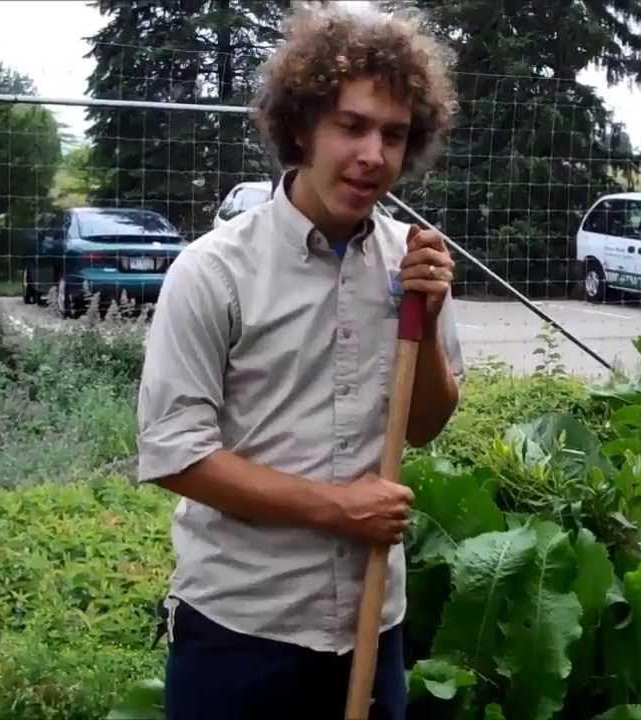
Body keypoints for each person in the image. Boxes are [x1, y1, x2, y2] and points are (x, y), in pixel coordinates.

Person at [134, 4, 463, 718]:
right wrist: (338, 508)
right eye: (351, 126)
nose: (373, 154)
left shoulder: (414, 262)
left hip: (374, 627)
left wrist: (429, 323)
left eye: (394, 134)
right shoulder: (214, 272)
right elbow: (175, 453)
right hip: (242, 634)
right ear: (300, 128)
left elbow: (425, 427)